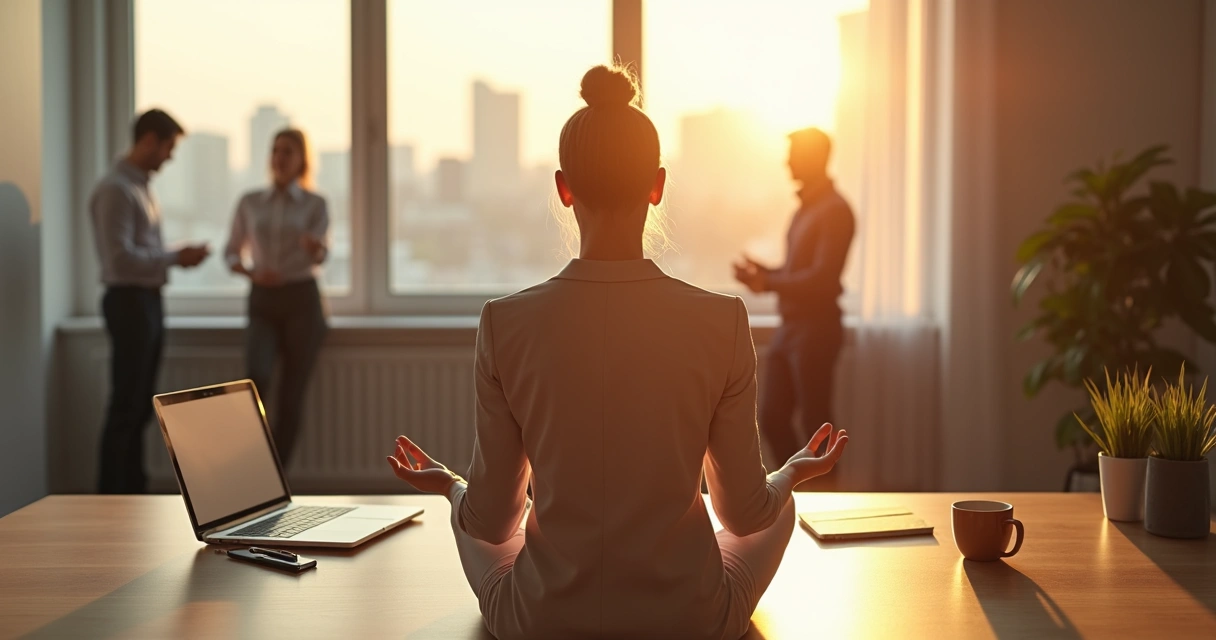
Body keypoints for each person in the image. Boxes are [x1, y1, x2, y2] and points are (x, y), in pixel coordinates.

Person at [385, 66, 849, 639]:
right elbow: (744, 515)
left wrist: (451, 484)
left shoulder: (503, 323)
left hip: (542, 622)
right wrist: (791, 473)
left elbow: (492, 522)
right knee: (780, 513)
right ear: (657, 186)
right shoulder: (722, 320)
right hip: (689, 621)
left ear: (563, 187)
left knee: (487, 522)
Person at [91, 108, 210, 494]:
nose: (170, 157)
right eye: (168, 147)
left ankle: (130, 492)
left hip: (145, 302)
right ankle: (112, 497)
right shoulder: (117, 190)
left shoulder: (139, 187)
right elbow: (120, 259)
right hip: (129, 303)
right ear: (149, 141)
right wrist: (176, 257)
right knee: (127, 406)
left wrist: (174, 259)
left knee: (140, 405)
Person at [732, 128, 855, 468]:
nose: (786, 161)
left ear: (814, 157)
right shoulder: (807, 209)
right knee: (772, 419)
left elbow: (822, 278)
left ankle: (826, 502)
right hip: (793, 328)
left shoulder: (835, 210)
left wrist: (768, 281)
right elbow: (797, 270)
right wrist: (766, 274)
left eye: (794, 153)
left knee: (817, 424)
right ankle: (799, 489)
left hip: (816, 329)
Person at [224, 128, 329, 467]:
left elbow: (320, 255)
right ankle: (254, 472)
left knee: (291, 396)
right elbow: (230, 253)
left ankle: (278, 477)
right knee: (257, 378)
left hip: (302, 300)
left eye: (288, 151)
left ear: (301, 160)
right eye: (275, 150)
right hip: (263, 299)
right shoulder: (250, 201)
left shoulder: (316, 204)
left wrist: (316, 249)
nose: (280, 158)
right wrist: (252, 273)